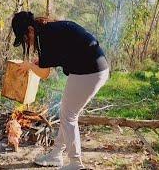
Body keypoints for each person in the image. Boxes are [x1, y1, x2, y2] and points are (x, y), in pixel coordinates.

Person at [12, 11, 109, 170]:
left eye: (24, 38)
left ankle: (75, 164)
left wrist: (29, 66)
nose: (27, 42)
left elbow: (44, 74)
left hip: (89, 71)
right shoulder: (48, 30)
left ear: (30, 29)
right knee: (67, 113)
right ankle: (56, 155)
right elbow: (52, 58)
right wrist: (38, 62)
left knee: (68, 116)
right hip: (93, 69)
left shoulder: (43, 37)